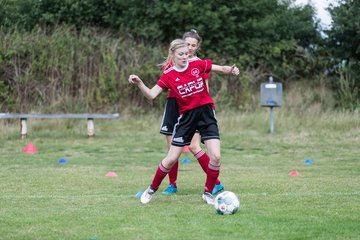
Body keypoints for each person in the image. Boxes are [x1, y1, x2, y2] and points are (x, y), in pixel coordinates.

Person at [128, 39, 239, 205]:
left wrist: (231, 70)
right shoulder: (169, 75)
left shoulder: (198, 65)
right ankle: (151, 189)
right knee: (171, 158)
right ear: (172, 55)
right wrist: (140, 83)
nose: (185, 57)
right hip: (186, 119)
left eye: (187, 54)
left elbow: (220, 68)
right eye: (181, 54)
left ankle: (208, 193)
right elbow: (151, 95)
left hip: (206, 115)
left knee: (216, 157)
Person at [160, 29, 224, 195]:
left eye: (193, 46)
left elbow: (204, 88)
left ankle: (215, 182)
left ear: (197, 47)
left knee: (195, 146)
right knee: (171, 150)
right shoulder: (172, 62)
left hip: (193, 108)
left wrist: (207, 107)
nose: (189, 48)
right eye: (187, 44)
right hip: (174, 106)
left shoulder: (198, 64)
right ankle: (172, 185)